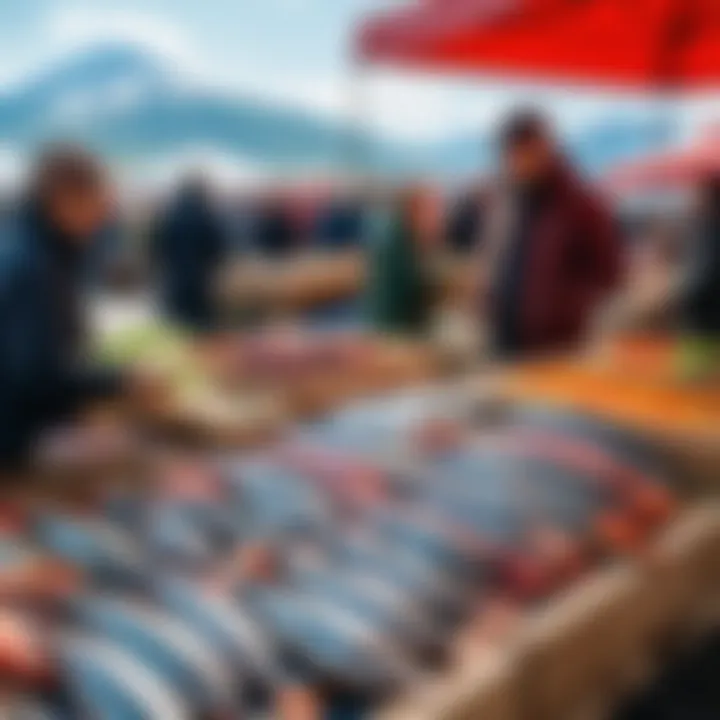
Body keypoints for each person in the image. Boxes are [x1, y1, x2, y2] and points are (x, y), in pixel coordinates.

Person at [0, 146, 136, 471]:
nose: (104, 213)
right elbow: (35, 375)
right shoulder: (35, 264)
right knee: (128, 454)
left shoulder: (32, 247)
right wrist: (119, 381)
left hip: (22, 425)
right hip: (17, 438)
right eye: (97, 200)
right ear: (64, 198)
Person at [481, 110, 623, 358]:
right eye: (509, 155)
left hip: (555, 345)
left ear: (543, 148)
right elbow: (499, 258)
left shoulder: (581, 204)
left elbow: (611, 271)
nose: (515, 163)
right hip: (504, 338)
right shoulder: (509, 200)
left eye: (522, 153)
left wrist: (570, 307)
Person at [151, 175, 226, 332]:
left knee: (176, 318)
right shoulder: (206, 215)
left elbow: (157, 243)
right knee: (200, 319)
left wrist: (164, 262)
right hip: (201, 274)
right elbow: (216, 245)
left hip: (174, 274)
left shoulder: (169, 215)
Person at [365, 185, 437, 336]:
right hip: (394, 329)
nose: (435, 217)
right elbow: (415, 294)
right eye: (429, 210)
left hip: (390, 323)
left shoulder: (397, 237)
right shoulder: (398, 246)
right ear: (411, 210)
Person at [679, 172, 720, 377]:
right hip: (702, 319)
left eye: (699, 194)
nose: (693, 199)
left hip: (705, 320)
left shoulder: (711, 231)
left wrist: (683, 293)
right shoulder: (703, 228)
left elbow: (703, 279)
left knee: (698, 378)